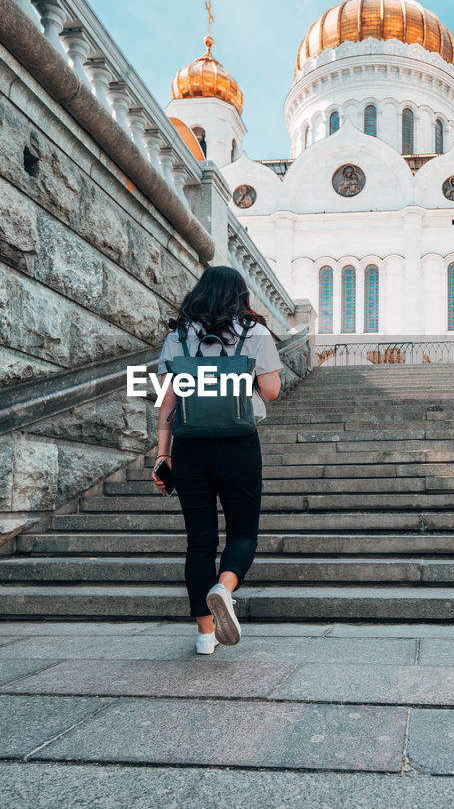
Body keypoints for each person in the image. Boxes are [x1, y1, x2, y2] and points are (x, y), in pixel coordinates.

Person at [153, 267, 283, 655]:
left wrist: (163, 455)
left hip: (190, 447)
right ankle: (223, 588)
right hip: (239, 443)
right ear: (240, 295)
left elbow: (167, 403)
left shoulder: (177, 337)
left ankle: (205, 636)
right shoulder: (254, 333)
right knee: (243, 533)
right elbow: (272, 391)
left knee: (199, 543)